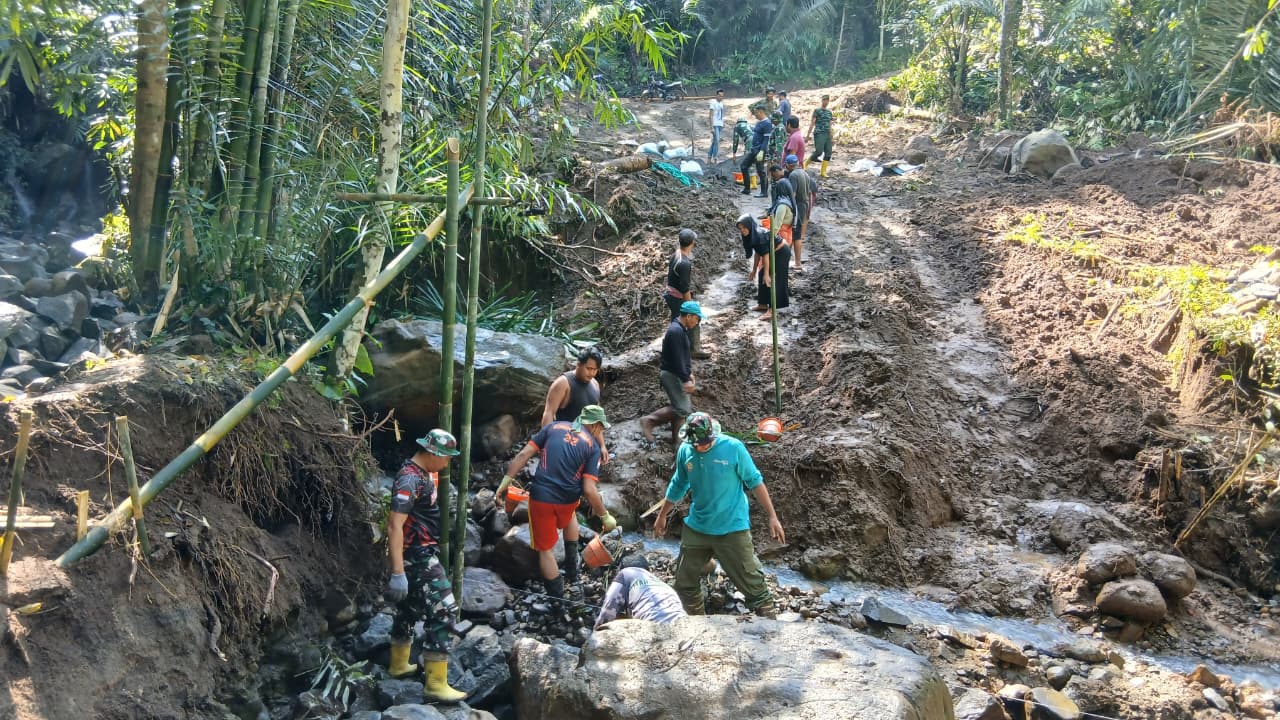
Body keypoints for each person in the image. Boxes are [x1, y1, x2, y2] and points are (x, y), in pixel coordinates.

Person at [652, 412, 785, 617]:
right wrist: (662, 516)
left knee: (754, 586)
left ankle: (770, 624)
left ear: (713, 435)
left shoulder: (733, 448)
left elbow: (755, 481)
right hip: (698, 526)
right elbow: (678, 484)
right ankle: (696, 623)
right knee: (684, 583)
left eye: (705, 443)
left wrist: (772, 516)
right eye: (696, 445)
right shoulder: (685, 451)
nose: (700, 448)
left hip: (731, 526)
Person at [496, 406, 616, 606]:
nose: (600, 432)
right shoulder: (592, 447)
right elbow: (589, 489)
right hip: (568, 501)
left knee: (546, 550)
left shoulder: (552, 428)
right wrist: (605, 516)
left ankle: (558, 605)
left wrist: (506, 482)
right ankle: (572, 575)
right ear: (595, 425)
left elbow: (523, 455)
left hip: (541, 499)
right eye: (601, 428)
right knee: (570, 514)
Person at [385, 429, 469, 702]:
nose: (446, 464)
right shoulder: (410, 479)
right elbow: (394, 525)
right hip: (417, 555)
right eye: (445, 458)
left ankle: (398, 664)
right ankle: (435, 682)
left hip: (418, 552)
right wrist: (398, 571)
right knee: (445, 610)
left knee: (409, 607)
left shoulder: (421, 474)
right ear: (432, 453)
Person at [639, 301, 702, 443]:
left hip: (675, 373)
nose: (697, 322)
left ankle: (678, 442)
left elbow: (682, 355)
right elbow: (677, 359)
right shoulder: (676, 331)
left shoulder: (679, 329)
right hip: (672, 374)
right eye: (697, 318)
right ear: (689, 316)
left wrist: (689, 372)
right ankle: (649, 420)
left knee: (680, 409)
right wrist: (685, 379)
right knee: (683, 409)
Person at [541, 347, 608, 463]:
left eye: (595, 370)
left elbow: (595, 419)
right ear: (578, 364)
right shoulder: (563, 383)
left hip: (585, 444)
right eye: (589, 368)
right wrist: (546, 444)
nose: (592, 373)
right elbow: (549, 413)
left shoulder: (595, 385)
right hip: (564, 442)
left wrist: (602, 445)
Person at [594, 554, 688, 629]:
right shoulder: (662, 584)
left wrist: (597, 630)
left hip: (654, 626)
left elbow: (608, 611)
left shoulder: (625, 573)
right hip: (683, 625)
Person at [664, 229, 707, 359]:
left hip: (671, 294)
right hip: (677, 296)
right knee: (694, 318)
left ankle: (673, 346)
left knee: (676, 321)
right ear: (692, 243)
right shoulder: (684, 263)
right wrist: (690, 306)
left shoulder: (676, 254)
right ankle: (693, 349)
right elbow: (684, 288)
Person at [738, 213, 790, 320]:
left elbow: (765, 256)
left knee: (773, 277)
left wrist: (767, 275)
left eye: (744, 227)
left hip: (781, 251)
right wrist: (754, 270)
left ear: (749, 225)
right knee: (761, 274)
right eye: (740, 228)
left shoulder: (759, 234)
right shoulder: (751, 235)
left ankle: (771, 310)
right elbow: (758, 253)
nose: (742, 230)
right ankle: (762, 303)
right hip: (772, 252)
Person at [784, 154, 813, 272]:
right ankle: (790, 260)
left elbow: (793, 194)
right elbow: (810, 192)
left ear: (788, 165)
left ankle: (797, 263)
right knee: (796, 233)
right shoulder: (804, 173)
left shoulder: (793, 175)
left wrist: (787, 208)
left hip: (797, 205)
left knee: (796, 235)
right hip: (804, 204)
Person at [739, 106, 771, 197]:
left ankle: (764, 192)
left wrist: (762, 151)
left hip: (760, 150)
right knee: (744, 166)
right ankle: (747, 189)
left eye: (756, 113)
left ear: (761, 112)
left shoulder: (767, 123)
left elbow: (766, 139)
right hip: (754, 149)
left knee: (761, 171)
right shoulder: (759, 122)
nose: (755, 115)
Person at [806, 94, 834, 177]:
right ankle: (805, 163)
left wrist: (831, 136)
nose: (826, 102)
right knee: (819, 151)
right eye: (824, 100)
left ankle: (823, 172)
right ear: (822, 101)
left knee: (828, 152)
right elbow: (812, 122)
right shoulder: (817, 111)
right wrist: (808, 135)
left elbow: (829, 124)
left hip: (827, 134)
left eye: (827, 100)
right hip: (819, 133)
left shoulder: (829, 112)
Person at [707, 89, 726, 162]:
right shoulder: (713, 103)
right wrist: (711, 127)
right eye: (720, 96)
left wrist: (722, 123)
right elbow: (711, 115)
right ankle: (715, 157)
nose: (721, 97)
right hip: (715, 124)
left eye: (722, 96)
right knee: (717, 141)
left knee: (715, 141)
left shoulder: (721, 104)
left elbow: (721, 114)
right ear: (716, 95)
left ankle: (709, 157)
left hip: (720, 124)